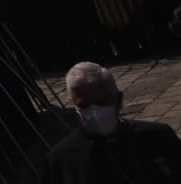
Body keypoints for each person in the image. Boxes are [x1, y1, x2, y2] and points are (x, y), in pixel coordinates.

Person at [42, 61, 181, 183]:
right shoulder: (61, 160)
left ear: (119, 100)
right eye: (85, 106)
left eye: (101, 103)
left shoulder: (157, 136)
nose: (94, 112)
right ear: (74, 107)